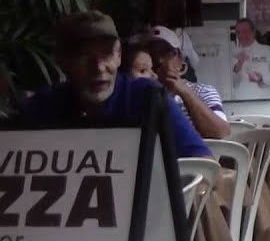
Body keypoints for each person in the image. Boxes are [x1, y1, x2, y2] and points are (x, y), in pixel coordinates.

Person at [16, 11, 212, 158]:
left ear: (118, 55)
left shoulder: (148, 98)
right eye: (84, 56)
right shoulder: (43, 107)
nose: (99, 67)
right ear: (61, 60)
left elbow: (201, 162)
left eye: (107, 54)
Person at [146, 26, 231, 140]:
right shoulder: (141, 93)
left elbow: (221, 132)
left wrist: (185, 92)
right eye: (152, 54)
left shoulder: (203, 91)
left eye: (166, 53)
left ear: (181, 60)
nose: (160, 60)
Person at [230, 17, 270, 100]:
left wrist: (262, 78)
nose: (241, 35)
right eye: (238, 33)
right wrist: (238, 65)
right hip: (240, 104)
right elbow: (227, 83)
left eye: (245, 31)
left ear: (253, 32)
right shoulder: (232, 53)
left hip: (264, 103)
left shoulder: (267, 51)